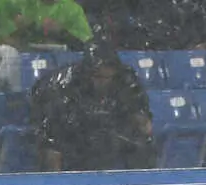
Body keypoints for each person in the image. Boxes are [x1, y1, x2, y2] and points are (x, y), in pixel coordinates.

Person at [29, 42, 154, 172]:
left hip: (106, 127)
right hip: (67, 128)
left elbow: (143, 120)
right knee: (52, 147)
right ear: (88, 74)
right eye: (98, 77)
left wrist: (141, 123)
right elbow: (52, 130)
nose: (103, 82)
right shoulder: (62, 86)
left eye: (108, 77)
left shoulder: (125, 79)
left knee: (140, 143)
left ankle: (143, 182)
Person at [6, 0, 93, 50]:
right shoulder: (21, 5)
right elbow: (5, 37)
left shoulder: (73, 10)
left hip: (62, 63)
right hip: (25, 58)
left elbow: (86, 44)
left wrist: (61, 31)